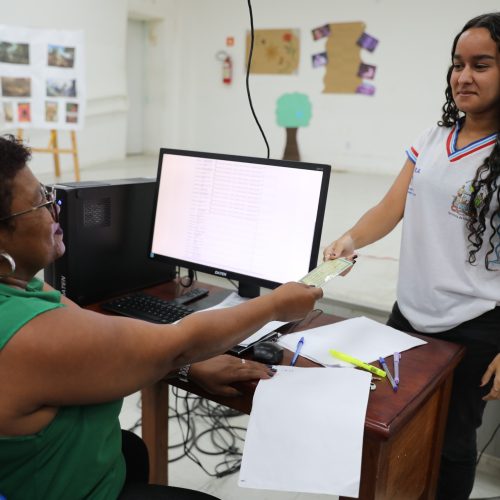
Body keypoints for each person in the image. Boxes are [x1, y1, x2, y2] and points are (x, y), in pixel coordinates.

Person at [0, 134, 323, 500]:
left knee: (132, 451)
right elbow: (175, 345)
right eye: (40, 204)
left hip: (54, 471)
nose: (54, 209)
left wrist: (187, 367)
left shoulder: (23, 289)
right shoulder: (24, 333)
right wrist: (276, 305)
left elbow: (136, 350)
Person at [324, 12, 500, 500]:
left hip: (476, 325)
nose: (464, 76)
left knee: (452, 443)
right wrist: (351, 238)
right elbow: (391, 206)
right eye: (457, 64)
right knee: (389, 422)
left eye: (481, 64)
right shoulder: (431, 138)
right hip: (409, 314)